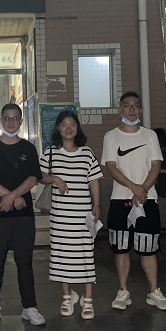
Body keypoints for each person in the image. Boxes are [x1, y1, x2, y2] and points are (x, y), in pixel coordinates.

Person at [102, 91, 166, 312]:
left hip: (147, 200)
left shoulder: (150, 136)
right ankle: (123, 291)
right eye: (127, 105)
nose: (132, 109)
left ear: (140, 110)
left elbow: (156, 165)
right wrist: (134, 187)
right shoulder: (111, 136)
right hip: (120, 200)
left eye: (135, 105)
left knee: (148, 249)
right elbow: (111, 166)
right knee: (121, 249)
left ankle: (153, 292)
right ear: (120, 109)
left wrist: (142, 190)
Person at [0, 103, 45, 327]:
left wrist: (13, 196)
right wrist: (9, 197)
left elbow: (33, 178)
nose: (11, 122)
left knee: (24, 261)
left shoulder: (28, 148)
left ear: (21, 121)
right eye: (7, 118)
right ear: (1, 120)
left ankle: (29, 307)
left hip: (23, 215)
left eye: (15, 118)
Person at [39, 110, 103, 319]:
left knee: (86, 255)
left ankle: (88, 299)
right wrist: (55, 179)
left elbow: (94, 180)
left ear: (78, 128)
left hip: (83, 215)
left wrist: (97, 204)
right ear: (58, 128)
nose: (68, 128)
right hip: (60, 216)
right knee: (62, 255)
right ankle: (67, 296)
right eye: (64, 124)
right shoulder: (50, 152)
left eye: (72, 124)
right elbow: (39, 176)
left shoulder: (87, 153)